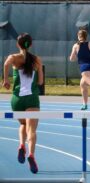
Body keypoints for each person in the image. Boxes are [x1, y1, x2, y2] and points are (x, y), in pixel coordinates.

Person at [2, 33, 42, 174]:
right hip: (31, 99)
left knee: (23, 124)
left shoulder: (13, 58)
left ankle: (21, 145)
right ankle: (31, 154)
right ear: (30, 44)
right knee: (32, 129)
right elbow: (40, 82)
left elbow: (6, 64)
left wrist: (6, 79)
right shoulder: (36, 60)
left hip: (17, 99)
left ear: (18, 44)